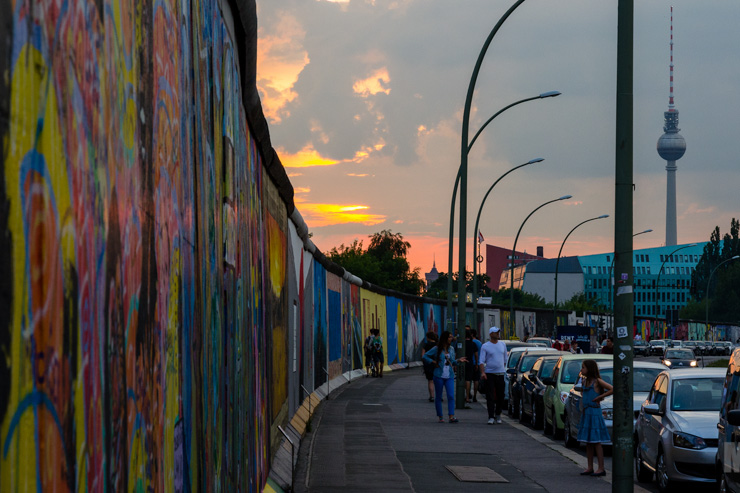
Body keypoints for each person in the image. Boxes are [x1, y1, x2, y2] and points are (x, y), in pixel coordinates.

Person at [576, 359, 613, 476]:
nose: (581, 370)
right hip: (586, 412)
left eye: (583, 367)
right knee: (588, 442)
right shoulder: (584, 381)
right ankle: (590, 467)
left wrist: (599, 397)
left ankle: (601, 468)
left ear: (589, 369)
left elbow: (612, 389)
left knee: (596, 441)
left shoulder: (597, 381)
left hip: (594, 413)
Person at [422, 330, 468, 423]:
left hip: (449, 375)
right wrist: (433, 362)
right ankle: (440, 416)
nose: (451, 338)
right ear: (445, 338)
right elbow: (425, 356)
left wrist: (459, 361)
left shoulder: (451, 349)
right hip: (439, 375)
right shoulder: (436, 348)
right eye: (450, 337)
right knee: (438, 396)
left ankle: (451, 416)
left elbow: (452, 361)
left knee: (451, 396)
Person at [478, 326, 508, 425]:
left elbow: (505, 359)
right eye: (496, 332)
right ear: (491, 334)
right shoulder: (485, 346)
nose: (498, 334)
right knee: (490, 396)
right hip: (489, 374)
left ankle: (498, 414)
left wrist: (502, 369)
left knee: (501, 395)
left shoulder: (502, 345)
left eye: (498, 332)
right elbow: (481, 361)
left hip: (500, 374)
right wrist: (483, 372)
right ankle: (491, 416)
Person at [421, 331, 439, 402]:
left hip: (428, 365)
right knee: (438, 381)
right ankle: (439, 396)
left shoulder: (426, 345)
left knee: (430, 381)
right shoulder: (438, 345)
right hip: (437, 364)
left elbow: (423, 356)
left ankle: (432, 396)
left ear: (428, 337)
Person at [464, 328, 479, 404]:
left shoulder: (461, 343)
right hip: (470, 362)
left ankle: (466, 396)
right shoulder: (473, 344)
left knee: (464, 379)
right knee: (470, 380)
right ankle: (472, 396)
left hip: (462, 362)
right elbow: (476, 355)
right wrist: (476, 363)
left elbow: (457, 353)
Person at [471, 328, 483, 402]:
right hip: (478, 363)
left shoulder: (470, 342)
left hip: (470, 363)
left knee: (468, 380)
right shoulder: (479, 343)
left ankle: (468, 394)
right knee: (476, 380)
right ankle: (475, 395)